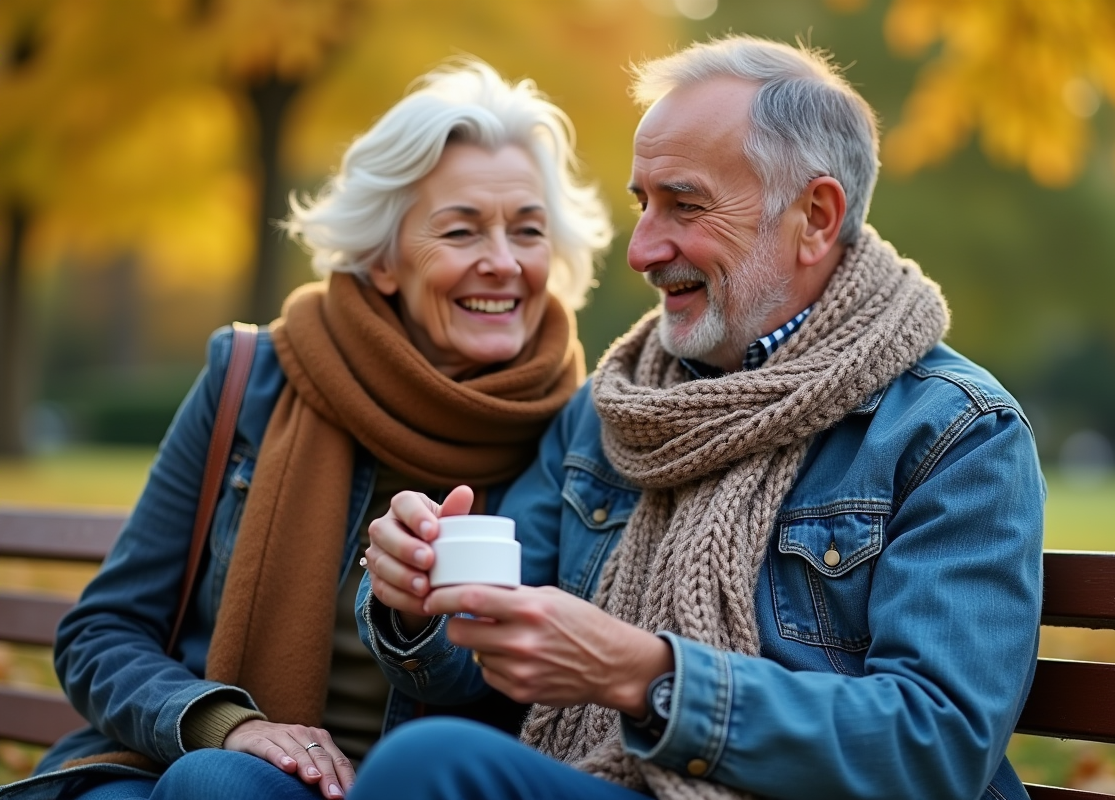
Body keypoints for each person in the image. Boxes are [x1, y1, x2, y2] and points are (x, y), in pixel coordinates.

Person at [354, 34, 1045, 800]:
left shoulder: (953, 434)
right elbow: (485, 667)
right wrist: (421, 597)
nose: (643, 250)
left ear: (815, 217)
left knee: (427, 771)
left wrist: (650, 676)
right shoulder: (613, 409)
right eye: (642, 204)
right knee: (220, 778)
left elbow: (936, 746)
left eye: (684, 205)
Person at [0, 60, 611, 800]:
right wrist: (228, 725)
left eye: (528, 230)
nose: (504, 263)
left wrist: (415, 616)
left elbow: (509, 694)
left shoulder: (572, 429)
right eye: (461, 231)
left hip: (413, 785)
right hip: (187, 758)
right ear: (383, 260)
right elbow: (101, 633)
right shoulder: (254, 378)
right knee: (211, 780)